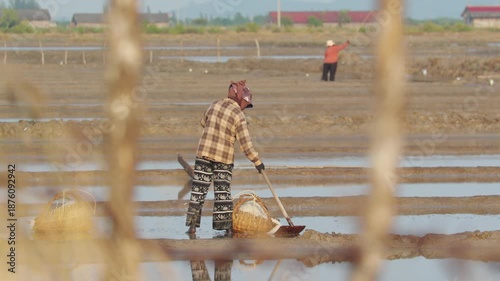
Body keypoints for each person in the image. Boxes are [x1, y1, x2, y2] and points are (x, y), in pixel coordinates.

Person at [185, 80, 265, 235]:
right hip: (223, 157)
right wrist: (257, 161)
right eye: (246, 104)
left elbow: (203, 122)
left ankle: (192, 227)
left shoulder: (214, 105)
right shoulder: (238, 115)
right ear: (241, 100)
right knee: (223, 193)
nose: (245, 108)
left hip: (204, 154)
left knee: (198, 192)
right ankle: (227, 229)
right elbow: (245, 144)